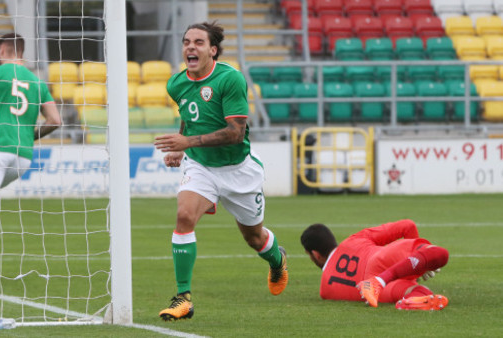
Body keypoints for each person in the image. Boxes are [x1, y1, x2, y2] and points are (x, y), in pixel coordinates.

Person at [153, 21, 288, 321]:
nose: (191, 46)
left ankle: (278, 261)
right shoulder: (176, 84)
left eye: (199, 42)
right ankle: (183, 298)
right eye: (187, 41)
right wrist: (181, 147)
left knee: (254, 238)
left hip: (239, 170)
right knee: (184, 216)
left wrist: (185, 141)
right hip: (201, 165)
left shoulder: (230, 79)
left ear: (213, 50)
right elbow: (189, 116)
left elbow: (236, 132)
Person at [0, 32, 62, 281]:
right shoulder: (37, 82)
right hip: (23, 158)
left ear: (2, 50)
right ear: (21, 52)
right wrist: (29, 136)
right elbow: (55, 120)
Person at [300, 219, 450, 310]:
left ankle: (405, 304)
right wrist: (418, 261)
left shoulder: (325, 290)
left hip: (380, 293)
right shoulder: (353, 240)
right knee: (441, 254)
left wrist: (413, 268)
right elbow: (407, 226)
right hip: (379, 261)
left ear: (315, 254)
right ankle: (379, 280)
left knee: (421, 293)